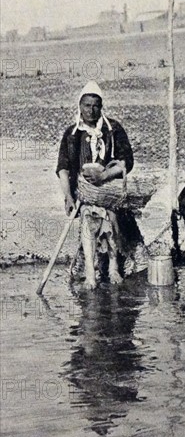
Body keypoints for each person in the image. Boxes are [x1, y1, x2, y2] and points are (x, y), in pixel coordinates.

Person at [56, 81, 134, 289]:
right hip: (84, 193)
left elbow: (127, 161)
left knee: (112, 225)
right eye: (86, 105)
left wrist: (105, 175)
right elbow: (63, 168)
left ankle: (114, 267)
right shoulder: (72, 134)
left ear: (101, 107)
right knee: (89, 225)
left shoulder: (113, 129)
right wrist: (69, 197)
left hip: (109, 190)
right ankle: (91, 274)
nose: (91, 110)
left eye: (95, 106)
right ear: (79, 106)